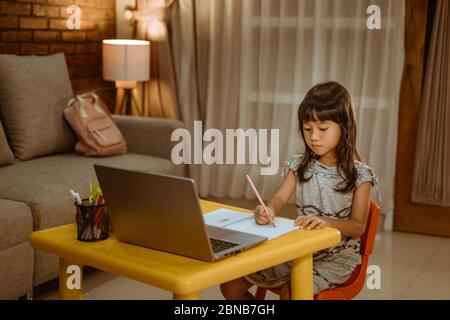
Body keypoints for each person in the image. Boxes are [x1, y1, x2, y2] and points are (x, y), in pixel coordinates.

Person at [220, 81, 380, 300]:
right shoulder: (299, 165)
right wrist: (267, 210)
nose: (313, 136)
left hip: (336, 259)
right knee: (230, 283)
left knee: (292, 292)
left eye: (322, 129)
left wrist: (326, 222)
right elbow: (278, 198)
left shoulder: (360, 175)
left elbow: (357, 227)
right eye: (307, 129)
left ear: (344, 127)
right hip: (300, 250)